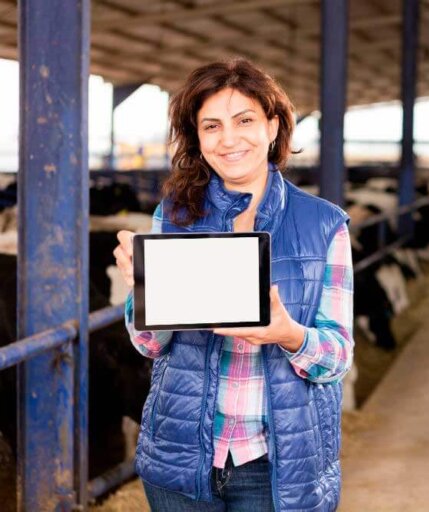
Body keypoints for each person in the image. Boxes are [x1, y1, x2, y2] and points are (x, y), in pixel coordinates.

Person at [112, 58, 354, 512]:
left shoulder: (323, 224)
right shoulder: (175, 215)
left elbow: (337, 357)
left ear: (274, 125)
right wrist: (141, 294)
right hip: (180, 456)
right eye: (211, 126)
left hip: (277, 465)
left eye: (244, 120)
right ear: (197, 138)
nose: (228, 139)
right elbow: (148, 346)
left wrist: (290, 335)